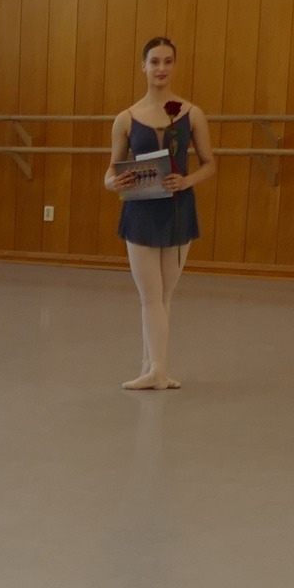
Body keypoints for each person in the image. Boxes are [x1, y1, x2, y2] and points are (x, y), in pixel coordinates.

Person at [104, 39, 216, 391]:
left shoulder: (191, 114)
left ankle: (154, 367)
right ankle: (157, 371)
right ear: (144, 66)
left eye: (168, 61)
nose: (161, 68)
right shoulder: (126, 118)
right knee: (150, 296)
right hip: (140, 212)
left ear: (175, 65)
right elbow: (110, 172)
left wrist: (186, 181)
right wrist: (113, 182)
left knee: (164, 296)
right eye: (155, 61)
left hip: (178, 210)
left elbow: (209, 163)